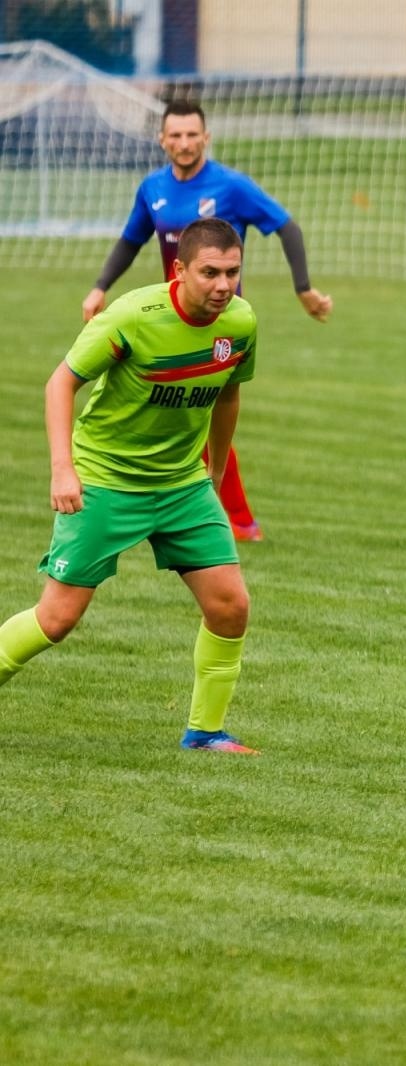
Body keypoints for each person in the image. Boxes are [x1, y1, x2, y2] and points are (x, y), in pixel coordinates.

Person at [0, 219, 259, 753]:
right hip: (106, 481)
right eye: (211, 272)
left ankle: (205, 734)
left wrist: (214, 470)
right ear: (180, 270)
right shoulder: (131, 317)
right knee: (57, 618)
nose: (223, 285)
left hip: (182, 486)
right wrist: (62, 468)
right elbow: (61, 382)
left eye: (233, 272)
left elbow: (229, 393)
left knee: (230, 606)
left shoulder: (240, 321)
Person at [82, 99, 334, 542]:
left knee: (200, 413)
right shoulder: (152, 187)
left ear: (206, 137)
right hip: (167, 321)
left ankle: (231, 519)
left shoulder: (231, 187)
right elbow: (130, 240)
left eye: (192, 134)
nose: (184, 143)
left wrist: (304, 288)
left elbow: (286, 226)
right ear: (162, 140)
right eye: (175, 135)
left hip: (217, 326)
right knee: (187, 416)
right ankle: (224, 517)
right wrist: (100, 286)